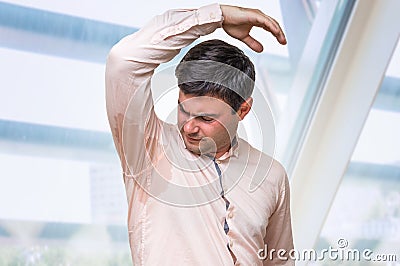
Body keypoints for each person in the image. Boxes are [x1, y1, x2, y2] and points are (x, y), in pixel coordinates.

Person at [105, 3, 294, 265]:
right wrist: (217, 16)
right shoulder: (149, 148)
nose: (189, 127)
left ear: (243, 110)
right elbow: (123, 60)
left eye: (206, 118)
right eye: (183, 110)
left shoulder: (272, 176)